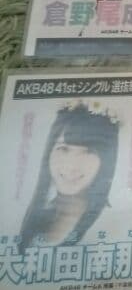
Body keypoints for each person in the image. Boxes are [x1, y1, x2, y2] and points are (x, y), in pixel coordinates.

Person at [18, 103, 119, 252]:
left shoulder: (110, 224)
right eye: (63, 148)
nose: (71, 166)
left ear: (106, 160)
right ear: (49, 152)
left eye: (89, 151)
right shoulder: (28, 215)